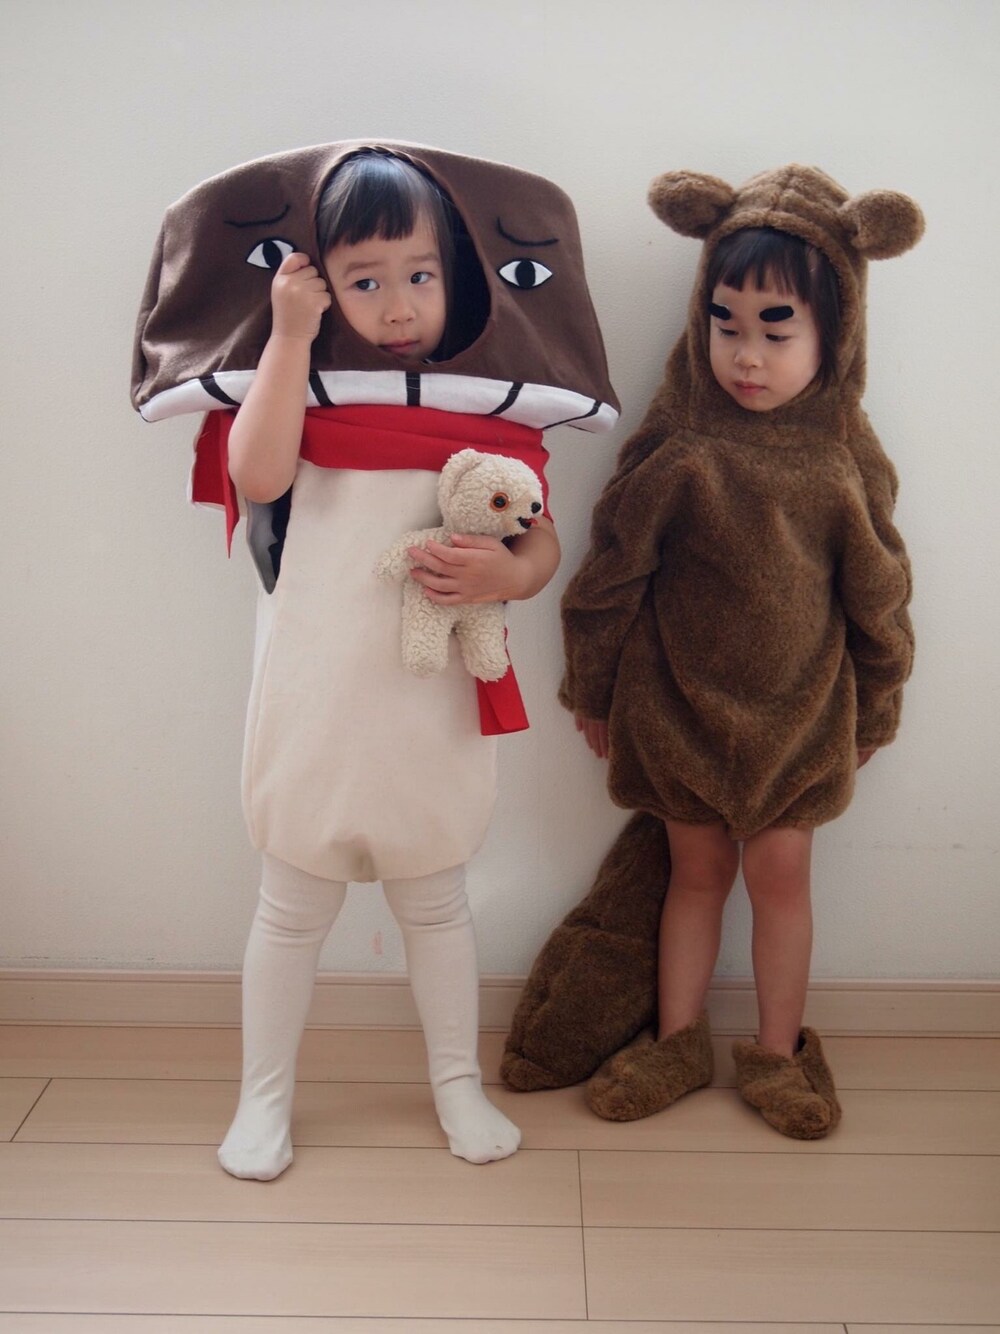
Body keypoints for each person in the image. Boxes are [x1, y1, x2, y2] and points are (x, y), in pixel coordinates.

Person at [558, 165, 922, 1139]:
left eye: (776, 330)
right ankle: (677, 1040)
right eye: (726, 325)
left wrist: (879, 704)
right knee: (695, 873)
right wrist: (591, 686)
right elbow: (610, 572)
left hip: (799, 719)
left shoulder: (842, 460)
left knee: (781, 880)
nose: (746, 356)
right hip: (677, 709)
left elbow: (881, 594)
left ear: (835, 333)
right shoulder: (679, 446)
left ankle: (777, 1049)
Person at [217, 151, 559, 1179]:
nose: (398, 305)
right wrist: (288, 337)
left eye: (419, 274)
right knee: (290, 908)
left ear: (456, 272)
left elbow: (538, 537)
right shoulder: (308, 392)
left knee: (436, 902)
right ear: (323, 282)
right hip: (317, 696)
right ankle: (262, 1097)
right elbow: (255, 472)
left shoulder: (492, 408)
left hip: (428, 704)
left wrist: (507, 572)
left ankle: (457, 1082)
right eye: (364, 280)